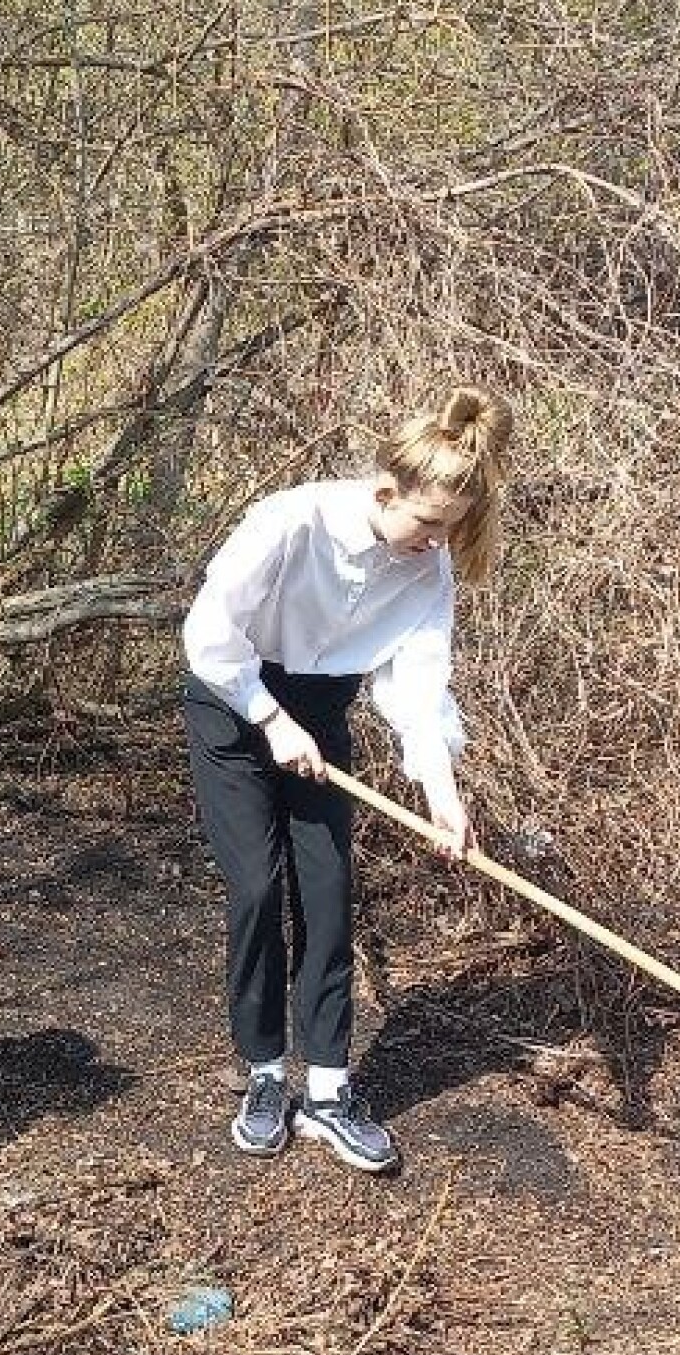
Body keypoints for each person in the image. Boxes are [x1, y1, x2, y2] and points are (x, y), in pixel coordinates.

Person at [179, 387, 512, 1173]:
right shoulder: (290, 521)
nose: (433, 543)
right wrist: (269, 718)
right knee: (256, 889)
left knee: (326, 894)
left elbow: (416, 687)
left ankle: (328, 1092)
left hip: (320, 718)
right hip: (231, 705)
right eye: (426, 523)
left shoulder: (427, 572)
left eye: (450, 529)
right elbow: (210, 634)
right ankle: (265, 1074)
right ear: (386, 492)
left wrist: (441, 796)